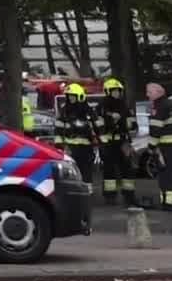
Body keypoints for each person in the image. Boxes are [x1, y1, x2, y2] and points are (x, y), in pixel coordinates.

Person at [96, 77, 135, 205]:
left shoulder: (124, 106)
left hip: (122, 142)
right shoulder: (101, 107)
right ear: (107, 92)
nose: (116, 93)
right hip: (108, 143)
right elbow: (98, 127)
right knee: (109, 171)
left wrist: (123, 121)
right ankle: (110, 196)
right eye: (114, 91)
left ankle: (129, 195)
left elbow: (133, 125)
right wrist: (110, 121)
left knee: (126, 170)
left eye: (118, 91)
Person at [147, 81, 172, 210]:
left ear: (159, 92)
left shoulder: (159, 107)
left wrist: (151, 146)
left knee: (166, 175)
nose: (148, 95)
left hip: (165, 146)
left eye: (150, 92)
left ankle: (169, 203)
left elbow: (155, 130)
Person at [57, 83, 99, 191]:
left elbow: (97, 128)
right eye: (69, 96)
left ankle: (88, 192)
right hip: (70, 148)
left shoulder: (88, 111)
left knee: (86, 171)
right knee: (71, 172)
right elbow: (58, 130)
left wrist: (97, 142)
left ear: (80, 97)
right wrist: (60, 147)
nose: (70, 98)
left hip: (86, 148)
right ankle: (72, 192)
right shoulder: (64, 111)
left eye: (73, 96)